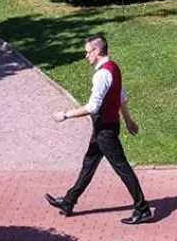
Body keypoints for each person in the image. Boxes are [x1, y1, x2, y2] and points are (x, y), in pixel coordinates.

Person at [46, 34, 153, 225]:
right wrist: (128, 120)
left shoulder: (102, 74)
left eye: (87, 52)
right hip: (106, 126)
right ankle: (69, 202)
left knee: (122, 168)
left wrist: (65, 114)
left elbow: (92, 107)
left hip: (105, 130)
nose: (85, 56)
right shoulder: (114, 67)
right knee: (89, 163)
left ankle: (143, 208)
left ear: (97, 51)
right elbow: (121, 95)